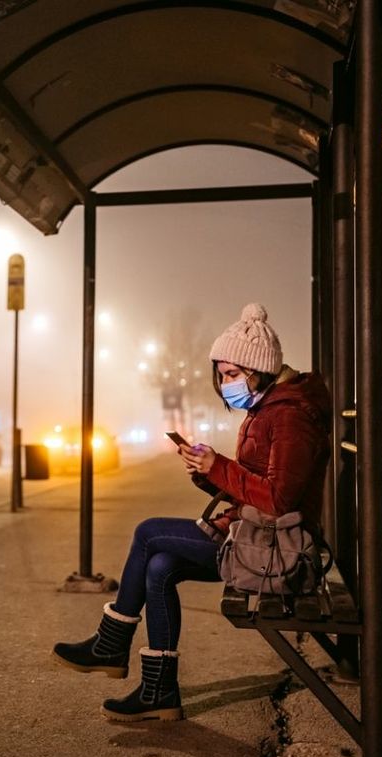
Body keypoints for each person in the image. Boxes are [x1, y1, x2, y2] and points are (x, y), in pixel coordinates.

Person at [52, 303, 331, 722]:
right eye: (221, 374)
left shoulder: (289, 416)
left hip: (277, 550)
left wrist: (217, 466)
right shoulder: (270, 409)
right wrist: (206, 472)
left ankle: (111, 643)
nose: (224, 383)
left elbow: (277, 500)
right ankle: (158, 692)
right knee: (160, 566)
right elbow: (254, 486)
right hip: (254, 536)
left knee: (148, 533)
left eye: (232, 374)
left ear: (260, 371)